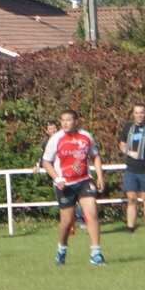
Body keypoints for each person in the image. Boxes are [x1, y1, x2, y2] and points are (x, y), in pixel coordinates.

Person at [42, 109, 106, 265]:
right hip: (65, 185)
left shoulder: (86, 137)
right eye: (62, 120)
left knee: (92, 214)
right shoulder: (56, 139)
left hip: (84, 181)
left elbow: (95, 156)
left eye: (68, 120)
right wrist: (57, 178)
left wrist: (100, 176)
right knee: (67, 222)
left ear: (76, 121)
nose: (64, 123)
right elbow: (46, 162)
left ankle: (96, 253)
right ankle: (61, 249)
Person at [117, 104, 145, 233]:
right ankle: (130, 228)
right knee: (131, 198)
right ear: (133, 114)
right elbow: (121, 144)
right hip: (131, 169)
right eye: (136, 113)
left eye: (141, 113)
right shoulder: (128, 128)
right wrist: (129, 152)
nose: (139, 115)